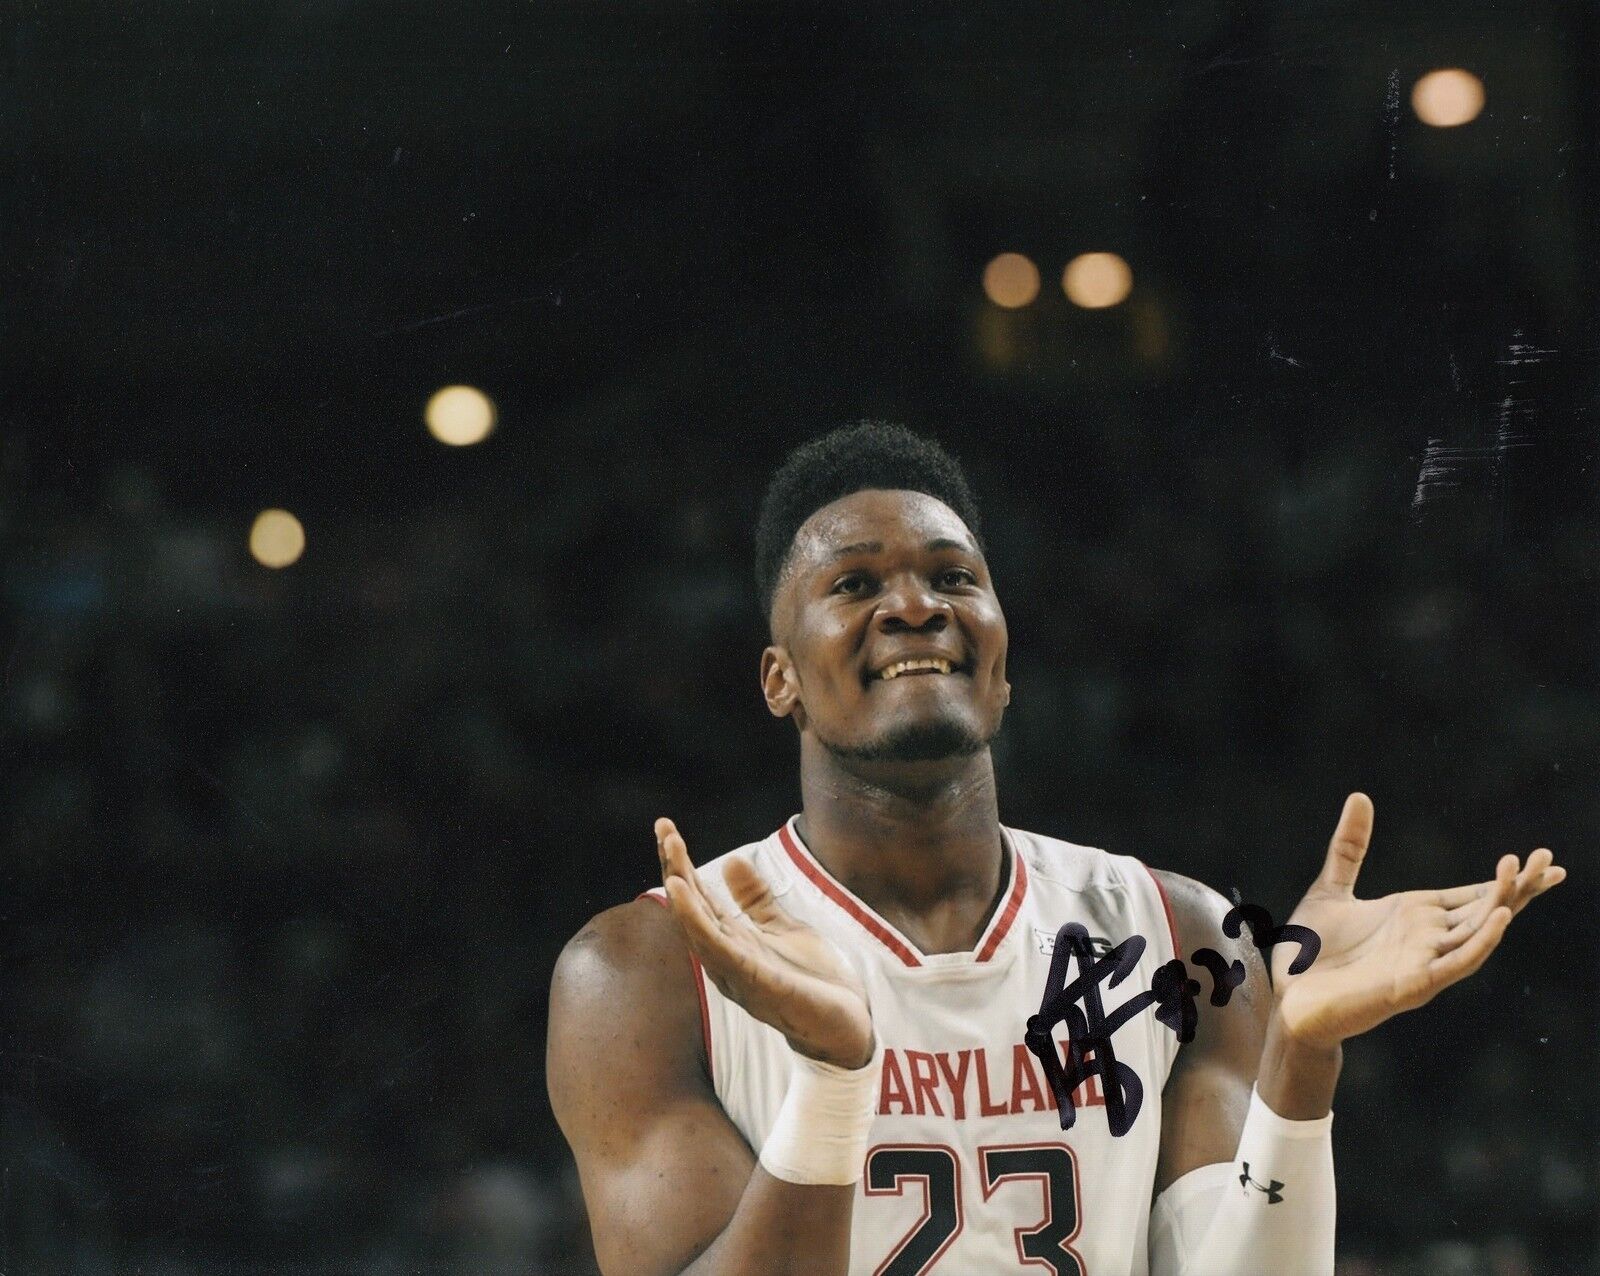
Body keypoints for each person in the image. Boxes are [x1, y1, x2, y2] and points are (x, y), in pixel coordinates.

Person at [546, 422, 1564, 1276]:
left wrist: (1302, 1064)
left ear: (998, 662)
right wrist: (830, 1077)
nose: (915, 604)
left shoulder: (1181, 935)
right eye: (854, 584)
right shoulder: (645, 967)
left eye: (952, 575)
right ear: (779, 680)